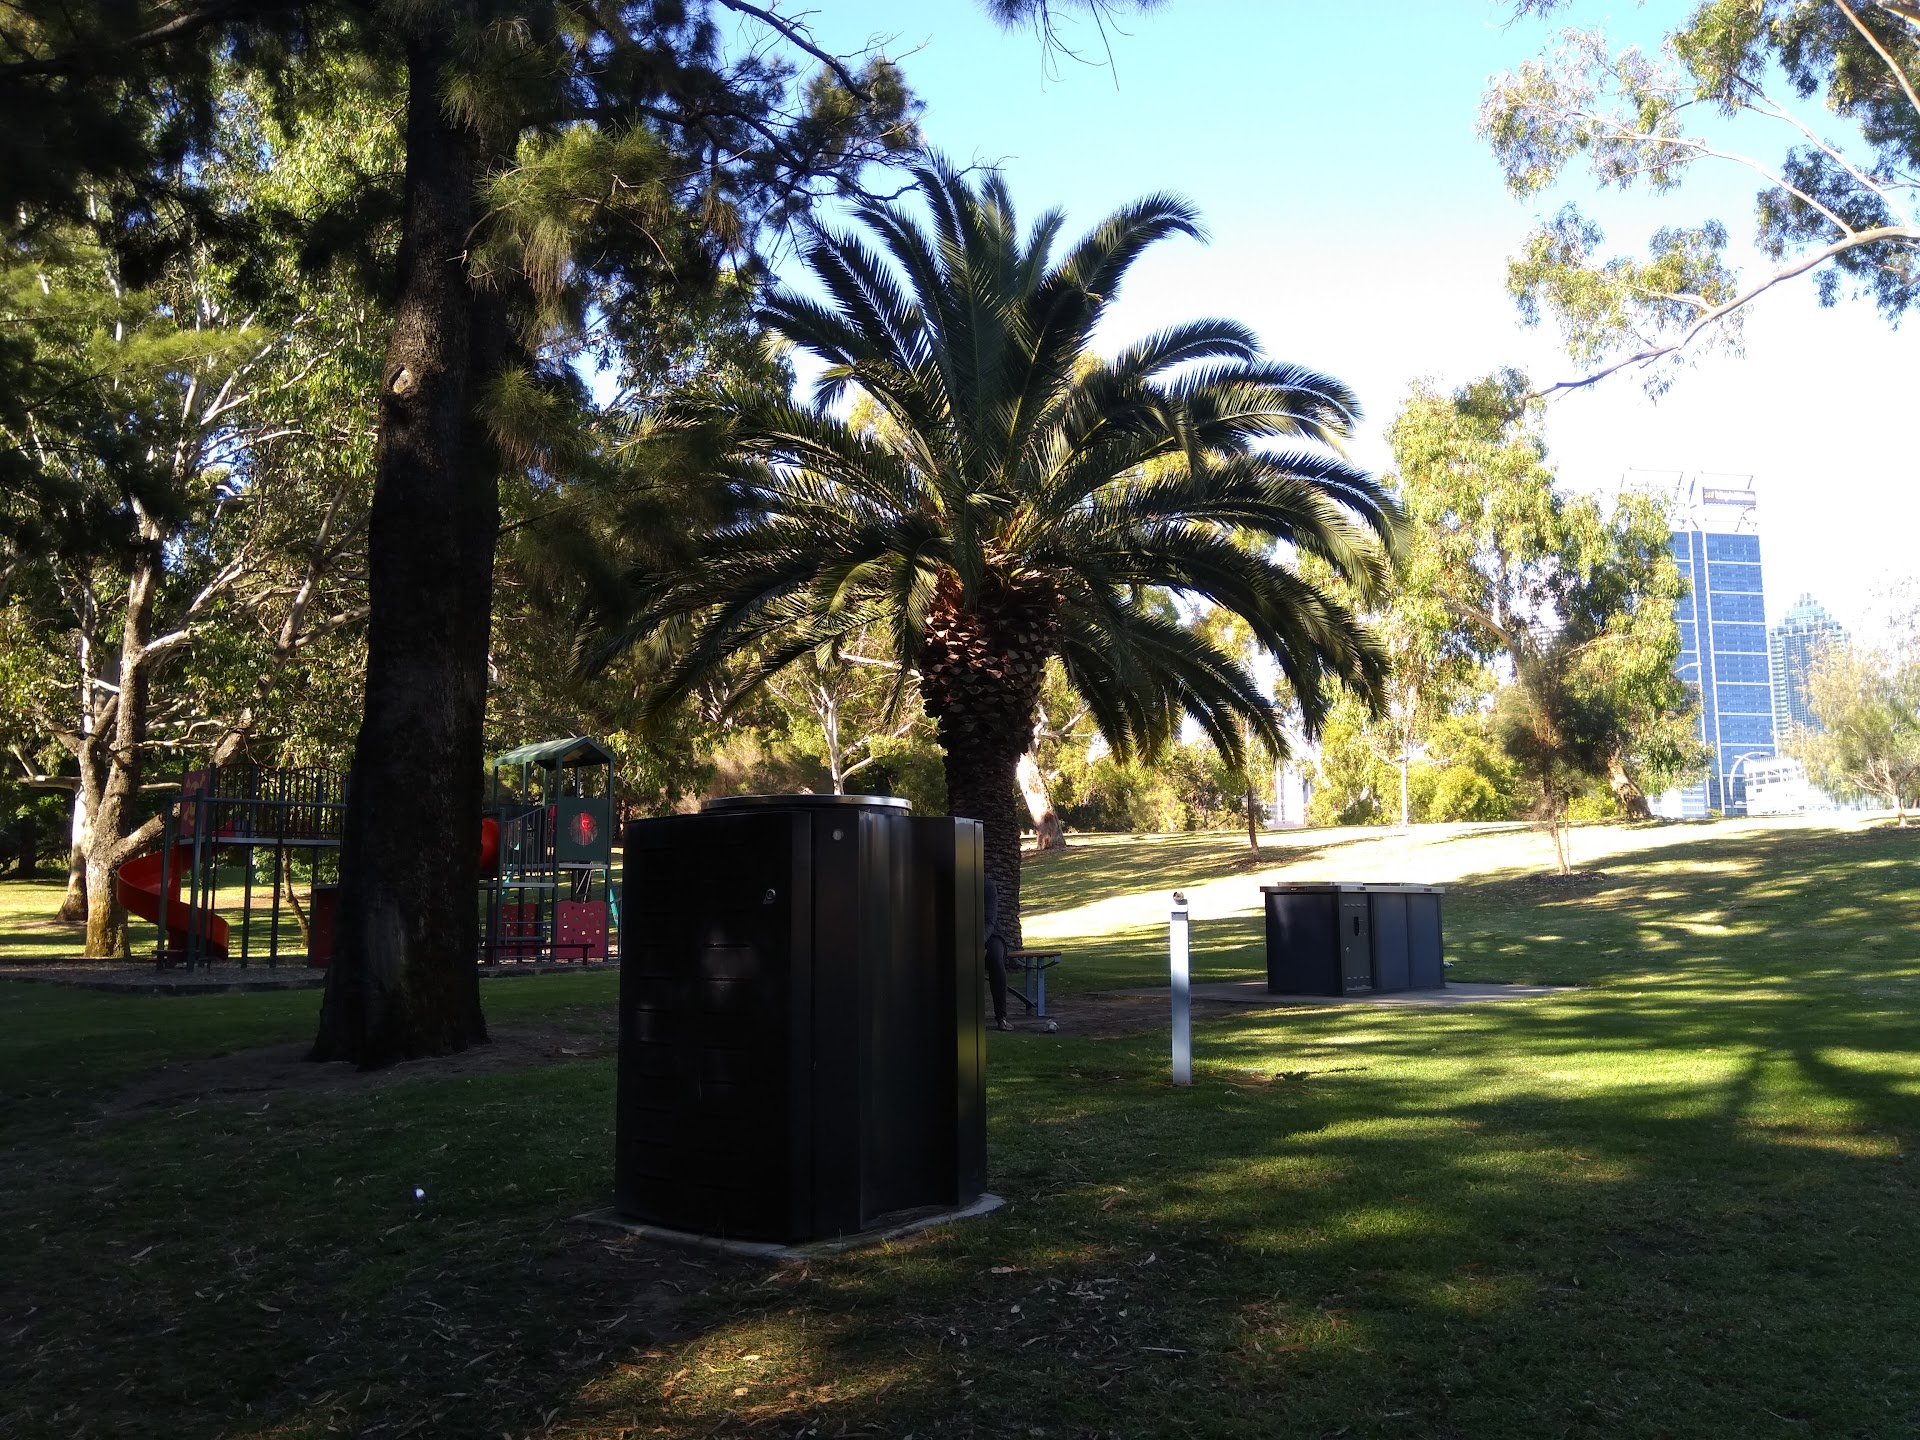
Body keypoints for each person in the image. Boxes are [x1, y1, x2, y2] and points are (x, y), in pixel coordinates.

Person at [983, 874, 1011, 1031]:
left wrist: (979, 942)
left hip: (991, 934)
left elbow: (989, 920)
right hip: (963, 932)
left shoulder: (987, 886)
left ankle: (1001, 1017)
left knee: (995, 958)